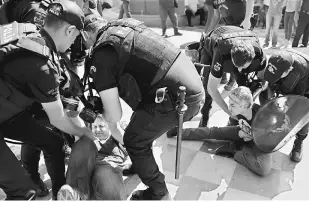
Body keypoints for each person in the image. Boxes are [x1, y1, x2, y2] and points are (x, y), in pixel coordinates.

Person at [58, 15, 204, 200]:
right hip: (190, 85)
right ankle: (139, 163)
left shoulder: (103, 54)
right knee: (140, 128)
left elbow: (115, 114)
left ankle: (159, 192)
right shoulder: (123, 27)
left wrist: (99, 117)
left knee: (135, 140)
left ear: (86, 35)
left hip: (176, 97)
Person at [0, 0, 96, 200]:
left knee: (53, 143)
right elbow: (58, 119)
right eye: (76, 38)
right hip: (6, 112)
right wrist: (83, 132)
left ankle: (61, 194)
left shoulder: (28, 31)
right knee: (24, 192)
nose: (73, 45)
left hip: (7, 111)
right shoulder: (43, 66)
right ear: (70, 31)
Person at [167, 86, 274, 176]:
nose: (229, 107)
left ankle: (235, 152)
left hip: (260, 144)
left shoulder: (262, 117)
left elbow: (269, 139)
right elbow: (238, 125)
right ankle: (179, 132)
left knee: (264, 169)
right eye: (229, 103)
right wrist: (242, 134)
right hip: (242, 132)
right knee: (214, 132)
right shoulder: (239, 111)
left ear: (245, 106)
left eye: (232, 105)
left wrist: (248, 136)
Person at [259, 47, 309, 162]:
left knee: (303, 113)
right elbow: (270, 83)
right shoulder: (275, 60)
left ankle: (299, 142)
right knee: (264, 96)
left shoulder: (300, 73)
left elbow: (294, 102)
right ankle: (268, 127)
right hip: (297, 60)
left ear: (289, 70)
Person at [197, 25, 267, 128]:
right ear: (231, 56)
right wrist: (229, 112)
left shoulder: (259, 55)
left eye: (243, 67)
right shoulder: (221, 53)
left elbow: (264, 82)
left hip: (242, 38)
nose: (239, 70)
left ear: (252, 59)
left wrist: (250, 96)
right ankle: (205, 115)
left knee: (244, 84)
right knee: (208, 87)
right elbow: (212, 89)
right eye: (236, 66)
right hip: (214, 42)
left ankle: (237, 119)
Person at [57, 114, 132, 200]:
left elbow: (117, 130)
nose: (97, 129)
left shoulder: (115, 139)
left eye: (101, 126)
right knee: (83, 144)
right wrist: (73, 113)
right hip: (86, 177)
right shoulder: (90, 139)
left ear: (109, 127)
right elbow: (79, 125)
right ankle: (76, 194)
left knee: (105, 173)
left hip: (106, 174)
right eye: (95, 126)